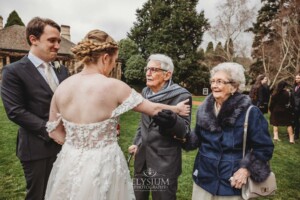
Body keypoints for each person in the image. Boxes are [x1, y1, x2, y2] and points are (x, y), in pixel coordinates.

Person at [44, 30, 190, 200]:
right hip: (103, 162)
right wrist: (177, 109)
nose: (112, 65)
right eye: (114, 61)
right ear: (105, 58)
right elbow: (153, 109)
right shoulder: (114, 86)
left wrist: (77, 145)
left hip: (70, 160)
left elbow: (53, 131)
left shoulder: (62, 87)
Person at [180, 62, 274, 199]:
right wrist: (177, 130)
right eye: (212, 81)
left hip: (231, 182)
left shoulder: (250, 112)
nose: (214, 85)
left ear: (234, 86)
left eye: (220, 81)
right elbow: (195, 139)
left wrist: (246, 169)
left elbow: (264, 147)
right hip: (204, 178)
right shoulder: (204, 110)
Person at [0, 17, 69, 199]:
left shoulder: (61, 70)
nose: (57, 46)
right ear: (33, 39)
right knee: (40, 195)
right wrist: (52, 131)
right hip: (37, 147)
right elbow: (15, 111)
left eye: (59, 41)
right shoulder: (13, 71)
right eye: (52, 40)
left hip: (68, 146)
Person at [127, 54, 192, 200]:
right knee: (138, 196)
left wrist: (172, 121)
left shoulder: (182, 95)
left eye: (154, 69)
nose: (148, 73)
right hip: (142, 157)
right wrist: (136, 142)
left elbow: (184, 131)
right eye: (147, 69)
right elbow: (142, 123)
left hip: (164, 161)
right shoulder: (145, 92)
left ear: (167, 75)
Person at [292, 73, 300, 140]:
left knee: (297, 121)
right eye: (296, 78)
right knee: (294, 120)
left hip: (298, 106)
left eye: (298, 78)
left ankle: (296, 135)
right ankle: (291, 133)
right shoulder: (294, 86)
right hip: (293, 106)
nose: (297, 79)